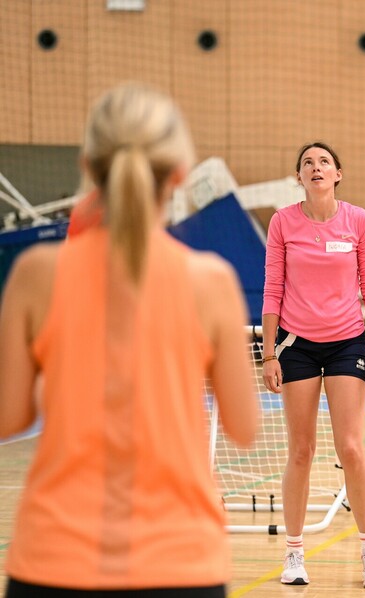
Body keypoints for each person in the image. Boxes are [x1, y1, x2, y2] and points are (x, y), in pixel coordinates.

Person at [0, 83, 259, 597]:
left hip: (54, 559)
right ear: (179, 174)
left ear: (88, 165)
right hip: (181, 561)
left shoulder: (35, 274)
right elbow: (244, 426)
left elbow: (10, 416)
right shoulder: (211, 282)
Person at [261, 141, 365, 588]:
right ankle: (294, 554)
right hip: (296, 344)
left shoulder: (359, 220)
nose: (315, 167)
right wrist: (269, 353)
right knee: (301, 450)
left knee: (350, 448)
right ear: (299, 177)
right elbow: (272, 289)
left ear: (338, 174)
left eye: (324, 162)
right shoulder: (282, 222)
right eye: (307, 163)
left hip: (347, 343)